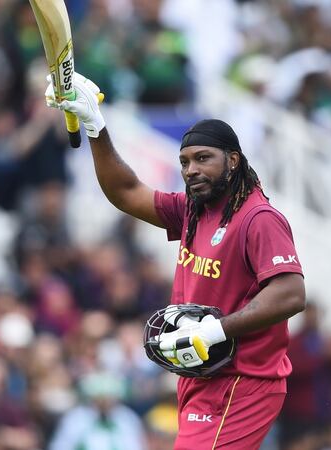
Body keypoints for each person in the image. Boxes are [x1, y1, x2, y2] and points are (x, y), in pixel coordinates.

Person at [45, 73, 306, 449]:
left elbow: (291, 295)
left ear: (233, 161)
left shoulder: (258, 218)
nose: (191, 170)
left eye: (203, 159)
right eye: (184, 161)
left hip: (243, 380)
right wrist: (95, 125)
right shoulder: (192, 210)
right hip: (199, 373)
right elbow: (126, 191)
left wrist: (214, 331)